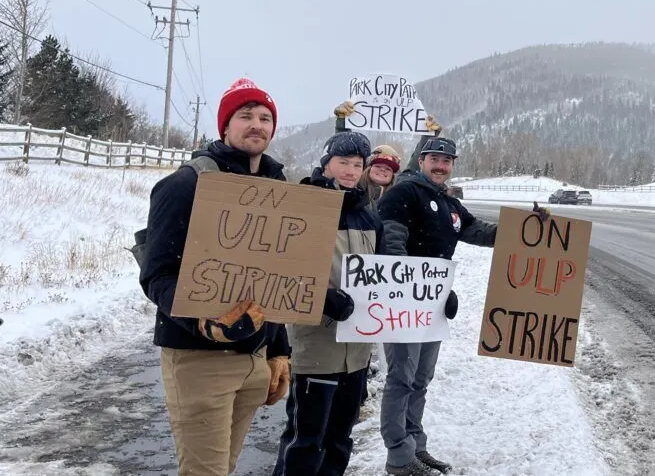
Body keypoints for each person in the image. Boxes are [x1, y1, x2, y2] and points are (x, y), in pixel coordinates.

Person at [138, 77, 292, 476]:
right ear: (225, 126)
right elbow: (157, 275)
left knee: (225, 466)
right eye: (245, 116)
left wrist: (279, 349)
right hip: (199, 358)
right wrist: (204, 323)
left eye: (265, 117)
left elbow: (276, 278)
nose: (256, 124)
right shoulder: (185, 185)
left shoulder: (279, 189)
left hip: (254, 358)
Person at [375, 135, 497, 476]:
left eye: (447, 161)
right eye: (434, 159)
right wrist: (413, 290)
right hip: (402, 305)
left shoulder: (448, 203)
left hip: (432, 306)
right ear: (421, 160)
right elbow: (392, 246)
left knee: (420, 379)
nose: (441, 166)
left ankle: (416, 446)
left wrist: (526, 228)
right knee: (401, 378)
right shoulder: (404, 193)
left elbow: (479, 231)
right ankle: (398, 456)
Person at [272, 130, 383, 476]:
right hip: (317, 346)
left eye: (357, 164)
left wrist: (433, 300)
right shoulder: (307, 206)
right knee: (305, 439)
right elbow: (283, 267)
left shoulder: (368, 215)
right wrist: (323, 299)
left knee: (339, 438)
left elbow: (389, 274)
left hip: (358, 351)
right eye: (343, 162)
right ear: (327, 163)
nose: (351, 170)